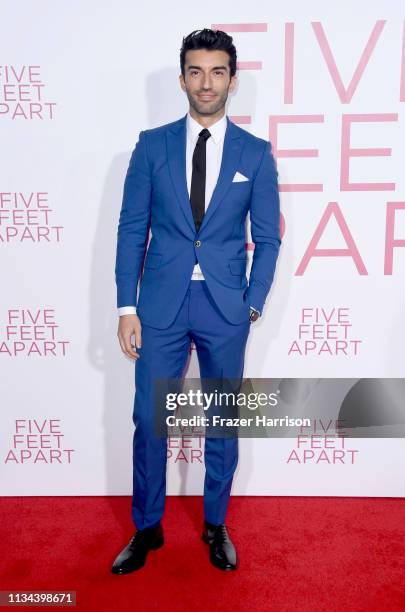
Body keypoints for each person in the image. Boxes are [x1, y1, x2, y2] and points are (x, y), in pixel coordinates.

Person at [112, 28, 281, 574]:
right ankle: (147, 528)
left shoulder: (255, 153)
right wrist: (125, 307)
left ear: (232, 79)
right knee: (148, 417)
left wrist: (252, 304)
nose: (205, 83)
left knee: (223, 420)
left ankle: (214, 524)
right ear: (182, 77)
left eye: (216, 72)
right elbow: (131, 229)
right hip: (160, 304)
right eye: (195, 71)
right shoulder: (151, 144)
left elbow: (269, 238)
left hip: (226, 307)